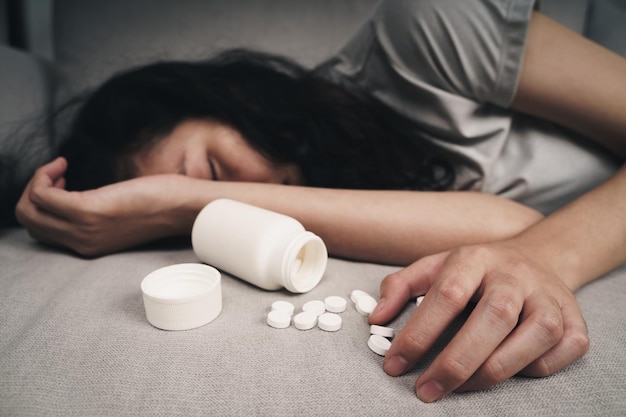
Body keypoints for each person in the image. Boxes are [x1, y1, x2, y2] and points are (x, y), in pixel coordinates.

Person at [14, 0, 626, 403]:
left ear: (232, 96)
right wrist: (179, 209)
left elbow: (522, 232)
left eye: (215, 171)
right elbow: (501, 224)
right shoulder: (332, 198)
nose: (235, 205)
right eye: (197, 204)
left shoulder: (430, 27)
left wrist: (184, 199)